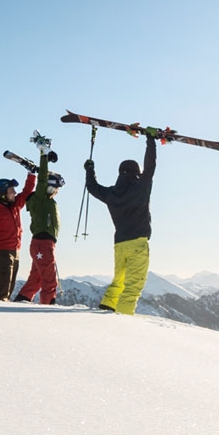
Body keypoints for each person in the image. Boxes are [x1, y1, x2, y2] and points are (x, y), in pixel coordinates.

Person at [84, 133, 158, 314]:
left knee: (119, 280)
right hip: (137, 244)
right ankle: (123, 324)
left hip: (120, 244)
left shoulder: (111, 194)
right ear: (136, 174)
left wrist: (89, 170)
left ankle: (107, 309)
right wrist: (151, 141)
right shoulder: (141, 188)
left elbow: (92, 188)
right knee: (133, 286)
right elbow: (151, 166)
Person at [0, 171, 36, 301]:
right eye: (11, 190)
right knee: (4, 281)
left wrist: (31, 175)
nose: (14, 193)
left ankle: (3, 303)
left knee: (10, 282)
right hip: (1, 250)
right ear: (3, 193)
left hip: (15, 249)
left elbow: (26, 192)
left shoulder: (15, 205)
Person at [14, 152, 63, 304]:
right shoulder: (41, 198)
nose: (55, 191)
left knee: (37, 278)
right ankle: (48, 305)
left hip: (43, 243)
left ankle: (22, 300)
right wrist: (44, 155)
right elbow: (41, 180)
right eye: (55, 188)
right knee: (49, 277)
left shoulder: (45, 200)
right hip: (43, 243)